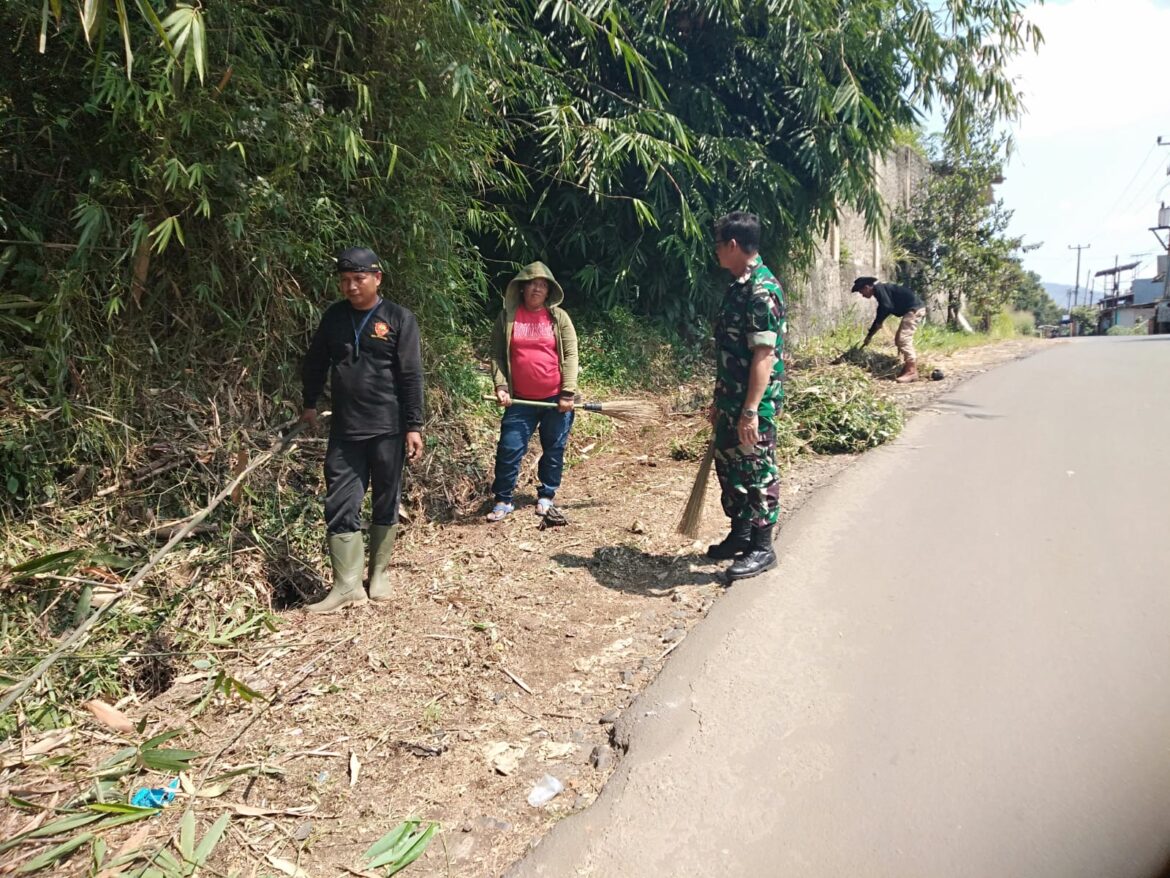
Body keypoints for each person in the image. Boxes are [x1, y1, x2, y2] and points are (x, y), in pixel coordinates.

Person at [300, 247, 425, 613]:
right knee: (340, 501)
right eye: (344, 281)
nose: (351, 287)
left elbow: (411, 375)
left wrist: (414, 425)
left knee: (386, 496)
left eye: (358, 279)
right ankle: (346, 585)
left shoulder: (399, 319)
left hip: (388, 427)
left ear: (377, 278)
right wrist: (309, 403)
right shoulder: (334, 318)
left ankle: (379, 573)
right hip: (345, 428)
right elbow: (315, 362)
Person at [707, 212, 786, 581]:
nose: (716, 251)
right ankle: (740, 534)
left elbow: (763, 356)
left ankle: (762, 546)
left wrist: (751, 411)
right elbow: (730, 351)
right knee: (730, 466)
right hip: (730, 398)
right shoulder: (739, 285)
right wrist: (720, 399)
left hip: (753, 403)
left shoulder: (762, 290)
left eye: (719, 244)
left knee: (756, 468)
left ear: (733, 245)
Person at [487, 262, 578, 522]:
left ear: (549, 291)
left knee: (554, 448)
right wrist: (501, 386)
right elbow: (496, 355)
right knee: (509, 447)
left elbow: (571, 355)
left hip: (554, 397)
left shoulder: (558, 318)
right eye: (532, 283)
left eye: (543, 285)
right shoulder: (507, 317)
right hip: (520, 400)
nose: (537, 288)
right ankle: (503, 499)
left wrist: (568, 392)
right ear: (522, 287)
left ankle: (546, 495)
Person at [851, 276, 926, 382]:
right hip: (911, 310)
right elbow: (883, 309)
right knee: (898, 339)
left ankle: (911, 371)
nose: (862, 295)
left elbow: (886, 307)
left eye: (861, 291)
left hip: (914, 310)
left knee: (903, 339)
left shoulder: (879, 289)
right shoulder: (881, 289)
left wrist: (876, 327)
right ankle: (906, 367)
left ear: (867, 287)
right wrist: (872, 333)